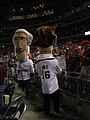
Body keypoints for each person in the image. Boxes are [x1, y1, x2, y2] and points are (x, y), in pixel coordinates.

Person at [34, 26, 62, 117]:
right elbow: (59, 71)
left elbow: (38, 73)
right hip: (54, 85)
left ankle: (46, 112)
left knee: (46, 100)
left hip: (45, 85)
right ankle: (56, 111)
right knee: (55, 100)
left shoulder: (37, 62)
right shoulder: (54, 61)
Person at [12, 29, 34, 98]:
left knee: (27, 89)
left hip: (27, 78)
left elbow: (32, 71)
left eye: (22, 38)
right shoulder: (18, 63)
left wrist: (31, 75)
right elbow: (18, 70)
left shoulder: (29, 62)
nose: (19, 45)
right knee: (21, 90)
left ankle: (28, 95)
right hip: (20, 78)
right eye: (16, 39)